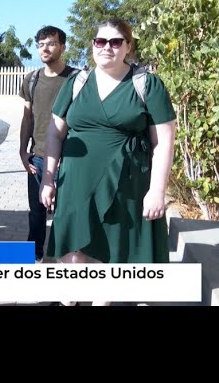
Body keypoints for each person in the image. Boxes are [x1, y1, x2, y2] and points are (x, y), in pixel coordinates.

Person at [40, 18, 176, 306]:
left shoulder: (146, 84)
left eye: (115, 42)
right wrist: (48, 178)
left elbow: (163, 142)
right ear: (92, 46)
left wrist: (157, 190)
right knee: (72, 254)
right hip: (75, 184)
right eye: (100, 41)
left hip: (125, 185)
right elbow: (54, 133)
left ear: (128, 46)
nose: (107, 48)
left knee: (111, 253)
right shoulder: (77, 82)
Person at [18, 26, 75, 263]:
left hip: (71, 159)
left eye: (50, 43)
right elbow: (27, 117)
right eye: (40, 44)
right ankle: (35, 256)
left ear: (62, 46)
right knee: (36, 213)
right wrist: (23, 151)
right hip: (38, 156)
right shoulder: (31, 80)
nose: (45, 48)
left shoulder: (77, 79)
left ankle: (66, 257)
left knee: (66, 214)